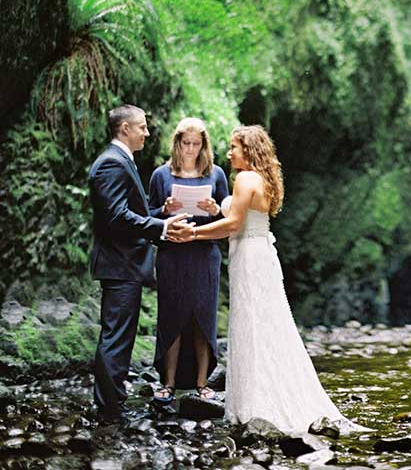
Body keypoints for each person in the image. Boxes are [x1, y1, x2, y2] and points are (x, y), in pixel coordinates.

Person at [170, 125, 371, 434]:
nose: (229, 152)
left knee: (251, 324)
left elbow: (234, 223)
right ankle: (272, 392)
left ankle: (255, 404)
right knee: (268, 324)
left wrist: (192, 233)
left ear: (248, 151)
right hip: (261, 253)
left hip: (249, 258)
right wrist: (216, 208)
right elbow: (241, 215)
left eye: (234, 147)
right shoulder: (264, 179)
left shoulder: (245, 178)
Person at [88, 104, 190, 423]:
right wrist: (161, 228)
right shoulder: (111, 164)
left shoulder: (119, 161)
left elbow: (132, 210)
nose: (146, 133)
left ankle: (112, 403)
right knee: (116, 337)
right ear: (124, 129)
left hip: (124, 264)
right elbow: (117, 216)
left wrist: (161, 211)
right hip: (120, 265)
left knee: (120, 336)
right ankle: (109, 411)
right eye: (142, 127)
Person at [148, 117, 229, 406]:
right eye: (186, 143)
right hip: (172, 255)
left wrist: (215, 207)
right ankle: (167, 383)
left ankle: (202, 383)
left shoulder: (216, 174)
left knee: (202, 318)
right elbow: (148, 217)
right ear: (177, 143)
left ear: (204, 145)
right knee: (172, 316)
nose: (191, 150)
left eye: (196, 144)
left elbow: (228, 220)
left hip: (204, 255)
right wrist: (164, 208)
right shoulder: (161, 175)